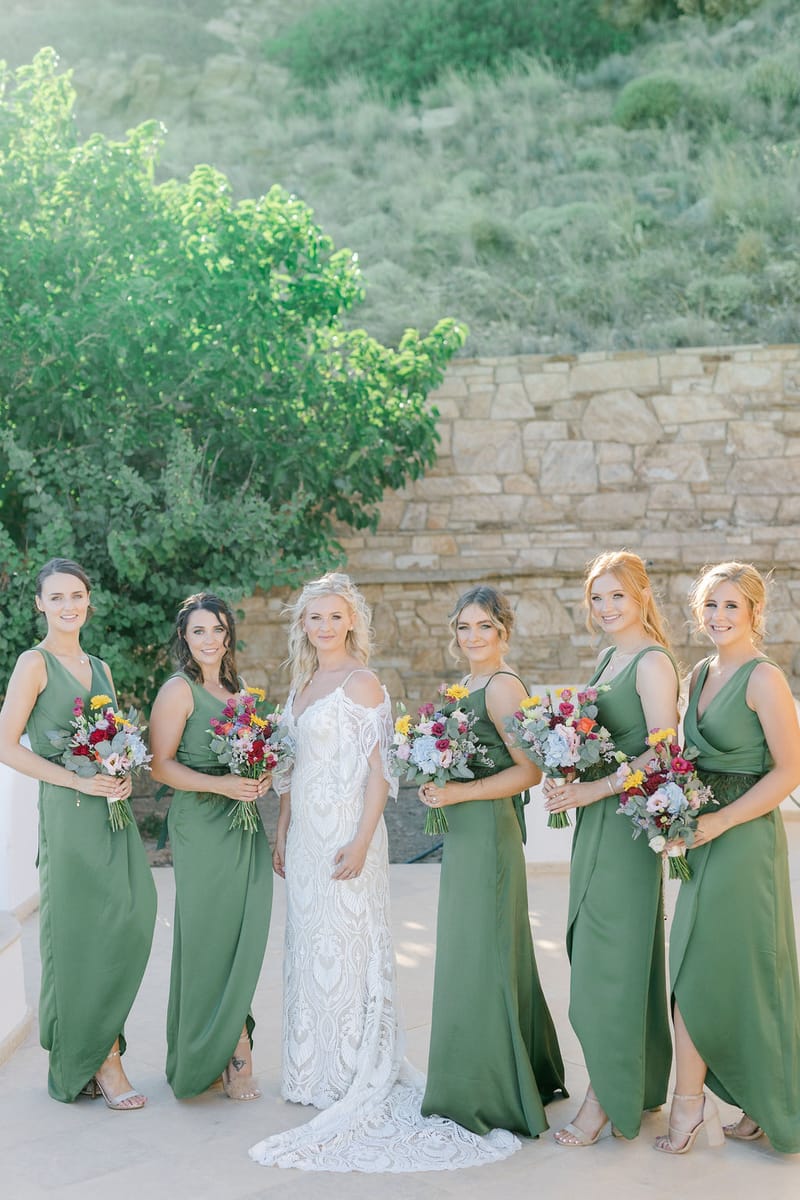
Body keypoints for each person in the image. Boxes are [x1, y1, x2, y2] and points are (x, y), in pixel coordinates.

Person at [249, 572, 518, 1171]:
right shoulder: (301, 684)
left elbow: (381, 773)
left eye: (334, 616)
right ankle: (310, 1068)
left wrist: (363, 837)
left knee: (349, 943)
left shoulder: (364, 683)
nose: (324, 626)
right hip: (307, 834)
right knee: (309, 943)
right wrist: (283, 826)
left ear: (351, 622)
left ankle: (351, 1069)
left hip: (350, 833)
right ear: (304, 625)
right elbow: (292, 767)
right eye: (314, 617)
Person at [654, 562, 800, 1154]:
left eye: (731, 606)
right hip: (701, 834)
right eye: (710, 605)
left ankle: (694, 1106)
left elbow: (790, 770)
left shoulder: (765, 678)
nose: (717, 617)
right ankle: (747, 1103)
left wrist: (719, 819)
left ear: (754, 614)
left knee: (730, 971)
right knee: (700, 966)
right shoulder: (701, 670)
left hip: (743, 839)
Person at [0, 557, 156, 1107]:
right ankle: (101, 1061)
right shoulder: (33, 664)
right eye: (57, 597)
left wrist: (117, 773)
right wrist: (76, 780)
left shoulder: (102, 668)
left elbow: (109, 738)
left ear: (89, 601)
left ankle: (97, 1044)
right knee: (80, 932)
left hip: (109, 813)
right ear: (40, 605)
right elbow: (5, 744)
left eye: (77, 596)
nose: (68, 606)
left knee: (131, 920)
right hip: (68, 813)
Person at [419, 585, 567, 1136]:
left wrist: (457, 794)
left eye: (484, 626)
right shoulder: (467, 686)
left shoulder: (502, 686)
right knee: (471, 948)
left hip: (488, 832)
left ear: (503, 631)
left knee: (483, 949)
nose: (473, 637)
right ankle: (497, 1068)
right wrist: (437, 780)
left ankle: (491, 1087)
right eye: (464, 627)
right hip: (464, 831)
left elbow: (528, 771)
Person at [543, 550, 678, 1144]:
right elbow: (600, 739)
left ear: (642, 596)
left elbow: (664, 753)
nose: (604, 607)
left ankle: (603, 1098)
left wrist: (594, 787)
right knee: (609, 954)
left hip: (625, 826)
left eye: (616, 595)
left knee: (611, 962)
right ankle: (637, 1083)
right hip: (597, 818)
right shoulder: (608, 657)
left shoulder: (651, 663)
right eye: (596, 597)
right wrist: (566, 770)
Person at [149, 592, 272, 1100]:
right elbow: (160, 766)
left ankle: (232, 1037)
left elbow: (251, 755)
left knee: (244, 931)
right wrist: (223, 786)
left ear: (228, 636)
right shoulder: (179, 691)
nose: (208, 640)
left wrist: (258, 775)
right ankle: (228, 1047)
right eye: (198, 631)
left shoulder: (239, 690)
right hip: (202, 822)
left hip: (243, 821)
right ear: (185, 636)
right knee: (207, 935)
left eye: (217, 630)